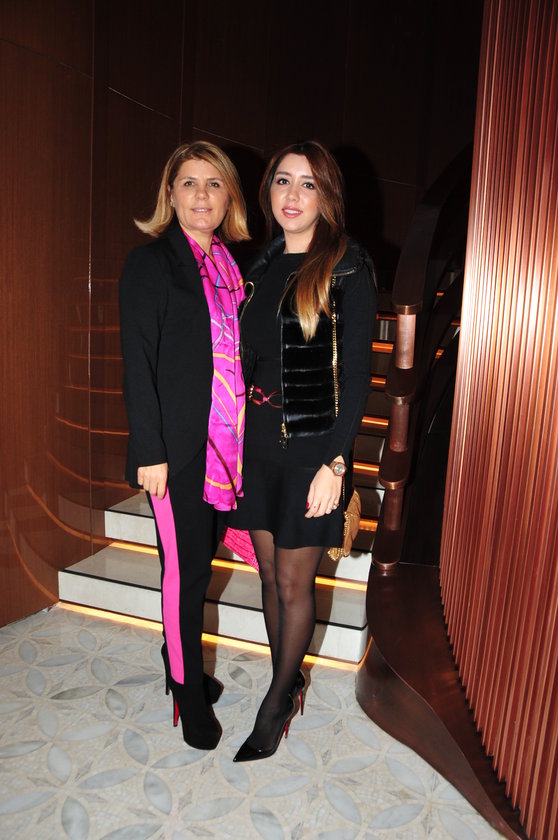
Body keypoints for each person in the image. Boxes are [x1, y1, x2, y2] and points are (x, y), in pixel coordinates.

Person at [227, 140, 377, 761]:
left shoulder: (346, 266)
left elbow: (358, 375)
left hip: (312, 448)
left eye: (308, 183)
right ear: (268, 192)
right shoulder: (258, 268)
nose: (292, 194)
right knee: (266, 574)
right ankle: (283, 680)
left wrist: (336, 463)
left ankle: (276, 703)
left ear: (327, 196)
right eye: (283, 181)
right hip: (255, 444)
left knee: (294, 580)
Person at [119, 141, 250, 750]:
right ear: (170, 194)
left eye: (214, 183)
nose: (202, 195)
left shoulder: (231, 269)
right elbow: (137, 362)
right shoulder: (151, 264)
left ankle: (180, 661)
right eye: (189, 182)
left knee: (199, 564)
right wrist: (149, 451)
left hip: (225, 449)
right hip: (173, 454)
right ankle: (185, 690)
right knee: (186, 572)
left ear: (229, 198)